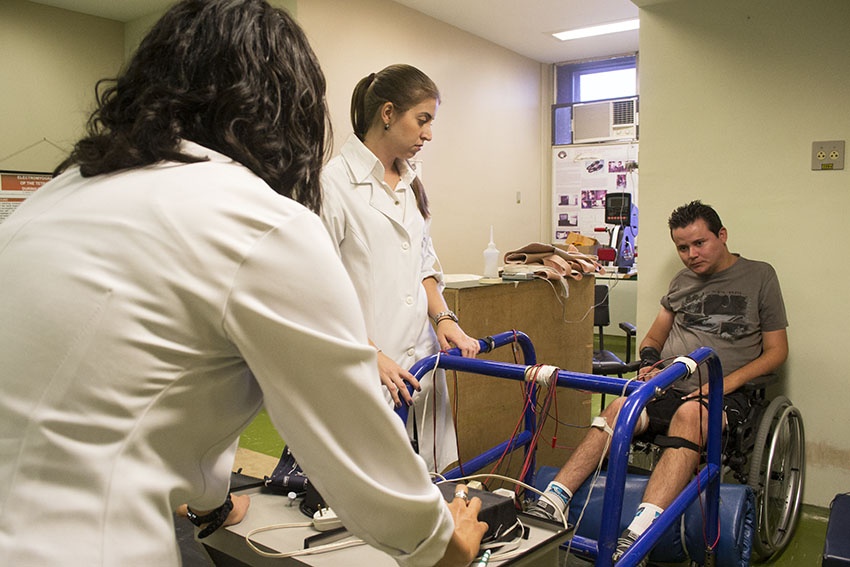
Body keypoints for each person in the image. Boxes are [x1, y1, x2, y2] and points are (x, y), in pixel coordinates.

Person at [0, 2, 486, 565]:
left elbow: (124, 388)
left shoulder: (47, 202)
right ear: (281, 109)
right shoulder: (257, 218)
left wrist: (211, 497)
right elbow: (353, 448)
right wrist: (442, 547)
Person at [528, 200, 788, 565]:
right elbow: (652, 339)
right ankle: (552, 501)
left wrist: (723, 384)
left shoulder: (760, 276)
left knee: (688, 417)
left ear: (722, 236)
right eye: (683, 248)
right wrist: (650, 364)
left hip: (725, 394)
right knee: (620, 408)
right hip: (671, 384)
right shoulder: (681, 282)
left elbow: (776, 352)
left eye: (700, 243)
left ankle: (641, 529)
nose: (691, 255)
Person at [320, 64, 480, 473]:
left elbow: (423, 263)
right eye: (422, 120)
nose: (428, 134)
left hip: (421, 359)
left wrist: (443, 318)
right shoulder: (331, 185)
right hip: (365, 365)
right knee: (372, 487)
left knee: (426, 478)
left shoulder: (411, 184)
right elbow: (317, 289)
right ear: (388, 113)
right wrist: (366, 353)